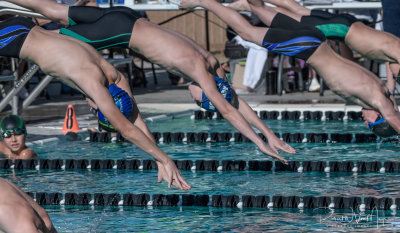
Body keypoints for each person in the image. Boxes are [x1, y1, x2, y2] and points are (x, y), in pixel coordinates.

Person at [4, 0, 296, 163]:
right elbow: (229, 109)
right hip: (117, 32)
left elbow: (233, 99)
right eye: (198, 98)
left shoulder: (210, 62)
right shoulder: (201, 71)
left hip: (127, 17)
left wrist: (269, 134)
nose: (191, 93)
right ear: (205, 92)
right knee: (51, 37)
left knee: (52, 12)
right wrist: (259, 143)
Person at [0, 16, 190, 190]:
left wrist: (157, 159)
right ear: (101, 104)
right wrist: (166, 160)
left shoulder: (115, 77)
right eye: (94, 112)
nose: (90, 108)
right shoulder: (92, 83)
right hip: (15, 39)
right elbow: (127, 129)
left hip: (25, 28)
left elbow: (136, 120)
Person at [178, 0, 400, 138]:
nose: (364, 121)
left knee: (257, 8)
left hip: (315, 39)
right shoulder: (378, 100)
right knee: (246, 32)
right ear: (380, 115)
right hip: (306, 47)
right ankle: (206, 2)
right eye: (370, 123)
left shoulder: (380, 93)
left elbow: (392, 99)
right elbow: (394, 117)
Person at [229, 0, 400, 78]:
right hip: (342, 30)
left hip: (347, 25)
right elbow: (395, 71)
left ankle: (252, 5)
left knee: (300, 11)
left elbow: (394, 70)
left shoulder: (394, 46)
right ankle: (254, 6)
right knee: (288, 22)